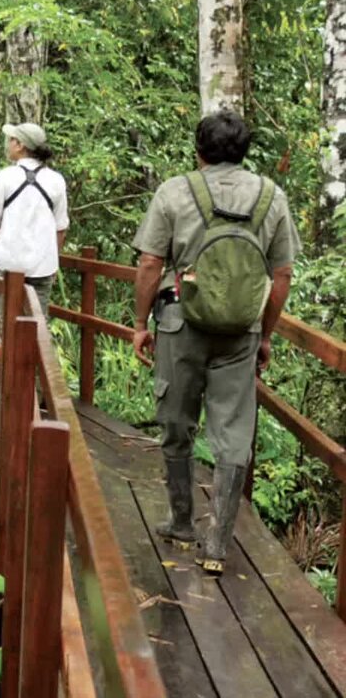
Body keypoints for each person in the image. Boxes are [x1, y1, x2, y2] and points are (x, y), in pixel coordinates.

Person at [131, 110, 299, 575]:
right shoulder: (272, 196)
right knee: (233, 433)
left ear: (198, 150)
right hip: (241, 333)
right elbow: (282, 274)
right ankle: (218, 546)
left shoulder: (175, 191)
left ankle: (182, 520)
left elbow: (148, 262)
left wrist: (139, 323)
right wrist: (264, 334)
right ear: (245, 151)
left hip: (180, 323)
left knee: (176, 421)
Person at [0, 123, 69, 322]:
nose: (8, 144)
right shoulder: (56, 180)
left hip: (7, 263)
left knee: (8, 325)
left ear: (20, 145)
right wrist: (53, 259)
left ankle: (7, 351)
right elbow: (61, 229)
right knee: (38, 326)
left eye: (11, 140)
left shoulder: (4, 177)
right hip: (41, 267)